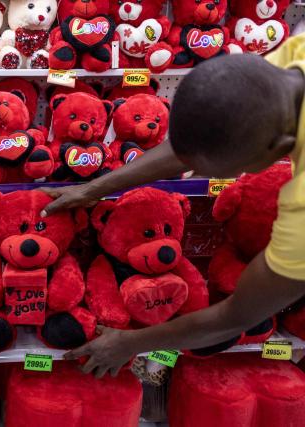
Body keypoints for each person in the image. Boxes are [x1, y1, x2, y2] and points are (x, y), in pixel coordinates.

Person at [40, 38, 305, 378]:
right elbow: (183, 147)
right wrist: (90, 189)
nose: (202, 174)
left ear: (278, 149)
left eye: (215, 170)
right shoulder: (281, 72)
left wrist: (129, 343)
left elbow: (238, 316)